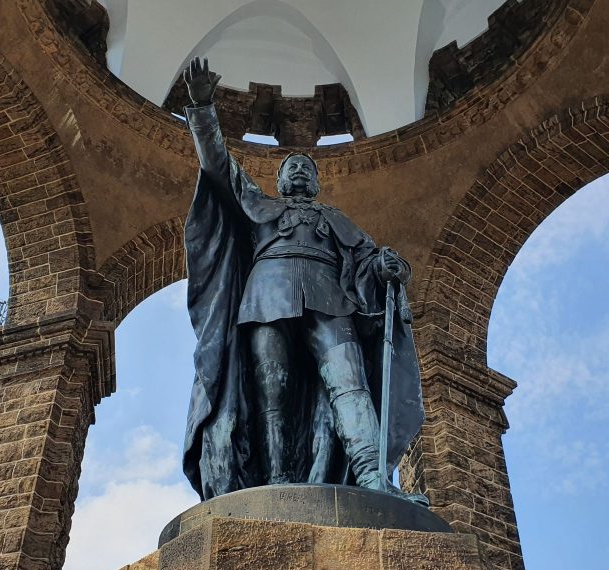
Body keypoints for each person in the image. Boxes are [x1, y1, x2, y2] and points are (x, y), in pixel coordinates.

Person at [180, 57, 426, 504]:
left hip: (331, 302)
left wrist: (392, 269)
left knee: (349, 386)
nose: (298, 171)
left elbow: (370, 262)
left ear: (315, 183)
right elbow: (218, 165)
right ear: (277, 180)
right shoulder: (259, 207)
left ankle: (372, 479)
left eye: (306, 169)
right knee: (270, 398)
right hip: (265, 300)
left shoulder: (337, 220)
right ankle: (274, 485)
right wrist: (202, 109)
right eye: (291, 167)